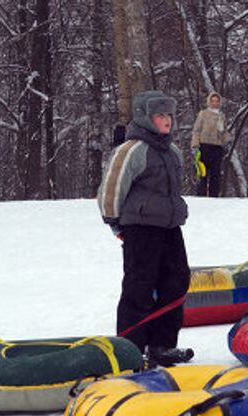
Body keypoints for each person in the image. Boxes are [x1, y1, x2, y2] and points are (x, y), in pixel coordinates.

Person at [97, 90, 193, 367]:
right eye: (160, 115)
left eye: (169, 115)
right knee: (139, 285)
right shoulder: (131, 150)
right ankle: (131, 348)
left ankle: (162, 344)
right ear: (147, 118)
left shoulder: (172, 151)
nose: (167, 120)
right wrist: (113, 221)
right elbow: (111, 188)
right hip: (140, 228)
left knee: (176, 280)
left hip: (169, 227)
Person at [191, 92, 230, 197]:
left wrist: (226, 142)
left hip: (217, 147)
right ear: (209, 102)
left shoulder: (222, 116)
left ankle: (214, 196)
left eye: (217, 101)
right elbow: (196, 130)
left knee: (216, 174)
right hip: (204, 146)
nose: (215, 103)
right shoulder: (203, 114)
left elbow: (224, 132)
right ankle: (201, 195)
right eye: (213, 101)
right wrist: (195, 145)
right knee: (203, 172)